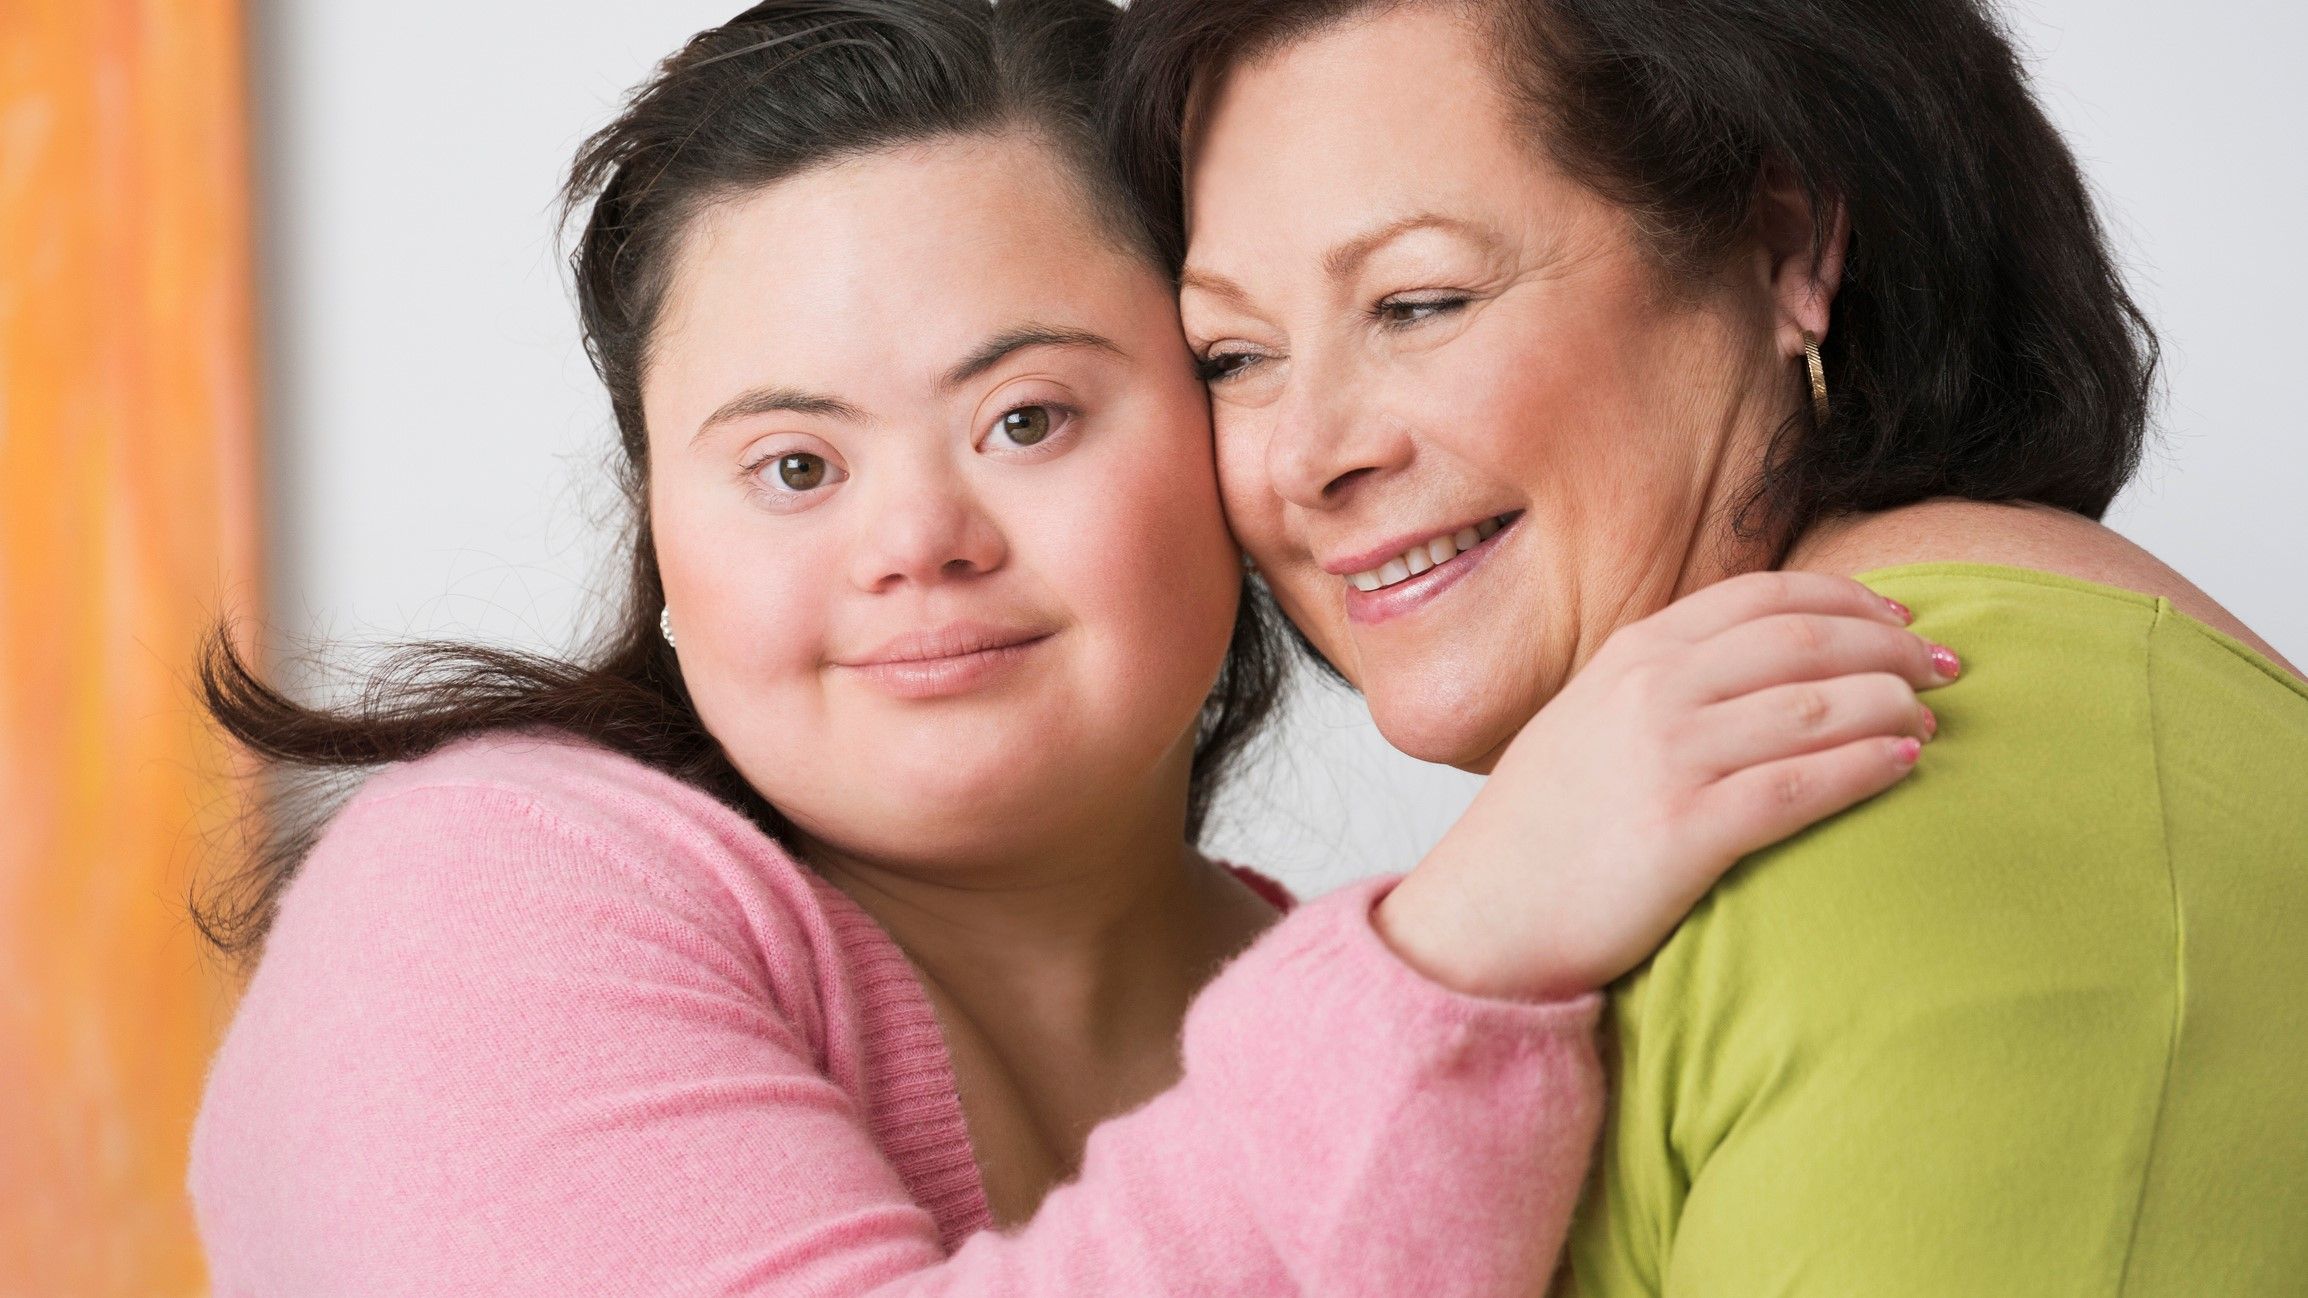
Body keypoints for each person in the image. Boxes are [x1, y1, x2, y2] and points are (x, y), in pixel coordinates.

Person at [185, 3, 1953, 1295]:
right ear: (662, 538)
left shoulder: (1356, 992)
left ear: (1219, 412)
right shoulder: (483, 893)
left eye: (1027, 419)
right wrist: (1462, 951)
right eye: (792, 466)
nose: (917, 540)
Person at [1107, 0, 2308, 1292]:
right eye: (1233, 355)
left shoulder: (1902, 811)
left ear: (1784, 242)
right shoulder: (1662, 839)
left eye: (1418, 302)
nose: (1305, 454)